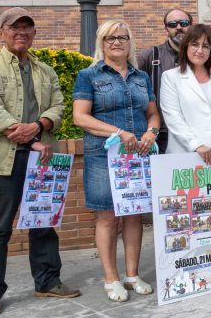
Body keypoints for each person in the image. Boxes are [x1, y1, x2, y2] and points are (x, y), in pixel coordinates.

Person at [0, 8, 80, 317]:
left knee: (44, 223)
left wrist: (41, 125)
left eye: (27, 28)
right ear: (0, 32)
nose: (21, 32)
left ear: (34, 34)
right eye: (14, 27)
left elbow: (58, 105)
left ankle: (47, 281)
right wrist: (30, 136)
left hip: (42, 158)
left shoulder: (46, 70)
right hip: (6, 159)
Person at [72, 20, 160, 302]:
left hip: (136, 157)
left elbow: (153, 114)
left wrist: (151, 131)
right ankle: (111, 279)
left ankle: (132, 275)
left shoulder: (140, 77)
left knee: (134, 215)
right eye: (110, 38)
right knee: (107, 216)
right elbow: (80, 117)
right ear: (101, 42)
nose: (117, 42)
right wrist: (119, 132)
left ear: (130, 42)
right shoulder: (89, 76)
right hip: (103, 154)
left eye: (122, 37)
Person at [158, 24, 211, 165]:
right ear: (185, 46)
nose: (200, 50)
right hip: (188, 155)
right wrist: (196, 145)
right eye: (195, 45)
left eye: (205, 46)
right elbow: (173, 117)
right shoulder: (171, 77)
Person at [137, 9, 193, 153]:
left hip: (194, 131)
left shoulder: (200, 57)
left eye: (184, 23)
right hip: (161, 134)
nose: (179, 27)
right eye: (173, 24)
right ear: (166, 30)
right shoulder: (150, 56)